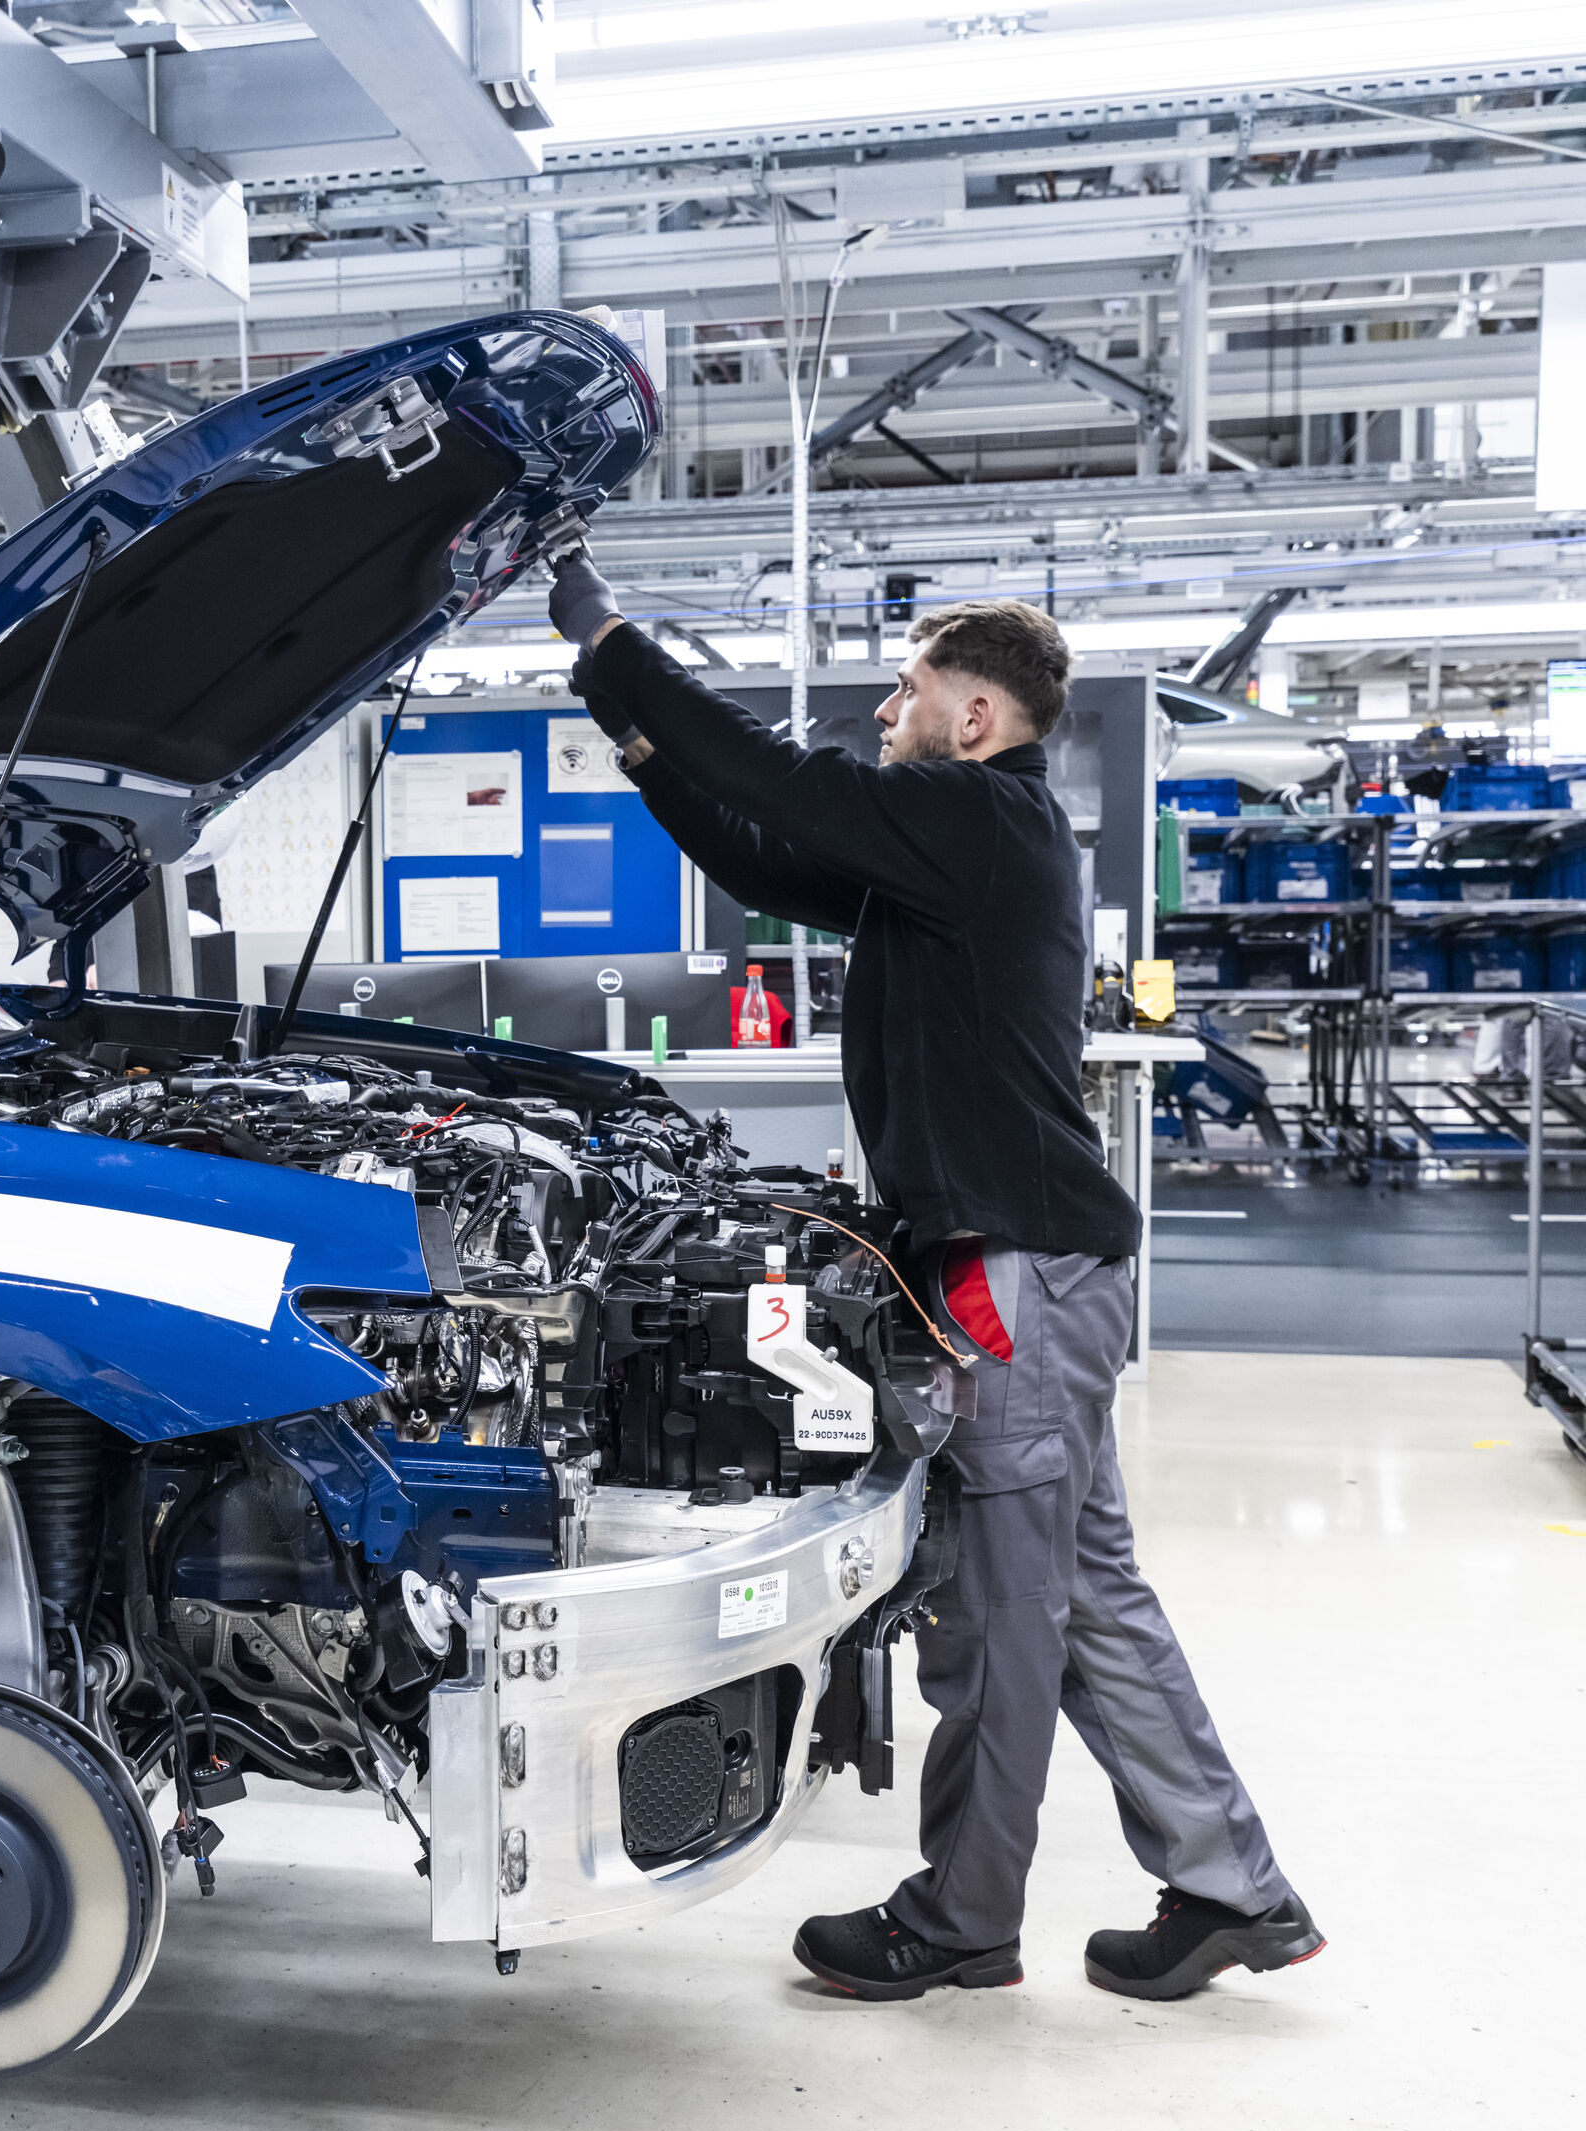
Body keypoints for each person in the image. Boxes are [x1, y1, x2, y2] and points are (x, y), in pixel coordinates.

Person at [545, 565, 1321, 2005]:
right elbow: (768, 859)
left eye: (905, 692)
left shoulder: (974, 815)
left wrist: (616, 648)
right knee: (1085, 1594)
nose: (887, 712)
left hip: (1017, 1275)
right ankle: (1231, 1888)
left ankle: (960, 1919)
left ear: (973, 718)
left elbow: (786, 781)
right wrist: (639, 739)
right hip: (1043, 1267)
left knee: (1003, 1616)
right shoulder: (971, 841)